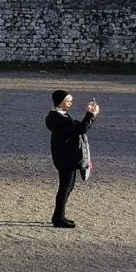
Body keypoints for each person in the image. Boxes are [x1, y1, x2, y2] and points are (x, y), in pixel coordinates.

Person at [46, 89, 99, 228]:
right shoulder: (60, 118)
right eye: (68, 101)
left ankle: (59, 216)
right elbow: (80, 129)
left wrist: (89, 113)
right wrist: (91, 114)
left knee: (67, 187)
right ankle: (58, 217)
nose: (70, 103)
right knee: (65, 187)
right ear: (60, 102)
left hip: (63, 155)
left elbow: (76, 127)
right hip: (66, 157)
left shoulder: (55, 116)